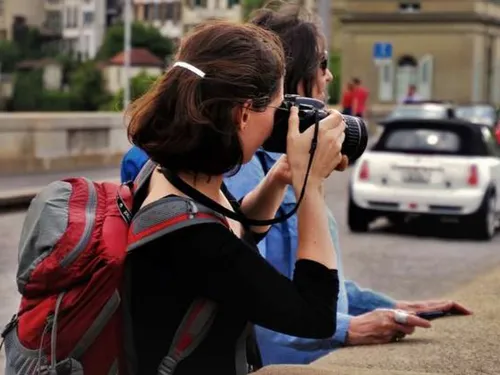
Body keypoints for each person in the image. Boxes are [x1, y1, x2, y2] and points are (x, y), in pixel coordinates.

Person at [224, 4, 472, 366]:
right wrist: (349, 328)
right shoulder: (243, 169)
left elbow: (313, 278)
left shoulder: (281, 161)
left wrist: (388, 306)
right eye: (322, 65)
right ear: (290, 76)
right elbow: (250, 297)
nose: (328, 79)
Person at [124, 20, 347, 375]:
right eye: (278, 108)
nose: (281, 121)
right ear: (244, 114)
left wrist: (279, 179)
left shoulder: (174, 175)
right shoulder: (191, 236)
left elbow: (235, 234)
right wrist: (311, 185)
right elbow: (315, 317)